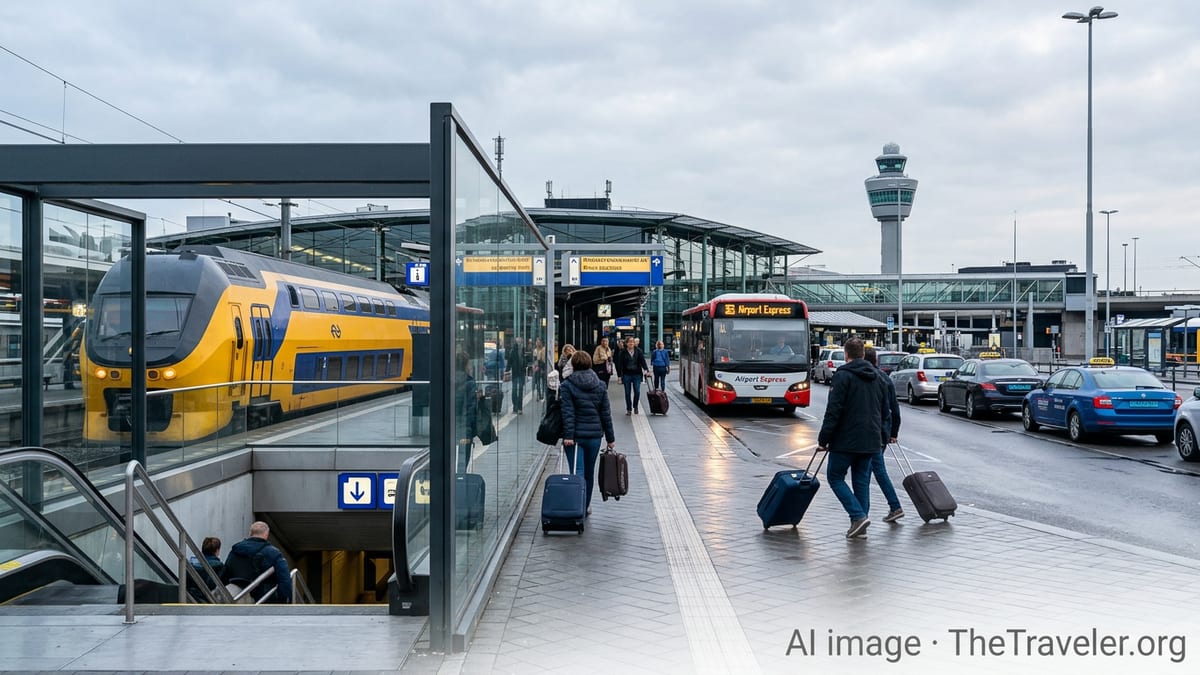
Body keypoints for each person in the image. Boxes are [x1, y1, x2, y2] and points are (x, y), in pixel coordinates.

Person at [816, 337, 891, 538]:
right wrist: (883, 437)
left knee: (834, 477)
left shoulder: (842, 376)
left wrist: (823, 440)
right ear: (864, 355)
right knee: (861, 481)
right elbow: (885, 412)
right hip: (872, 440)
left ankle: (858, 516)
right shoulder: (878, 377)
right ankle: (860, 526)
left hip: (845, 440)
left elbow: (834, 410)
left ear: (846, 354)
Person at [558, 350, 616, 515]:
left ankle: (577, 506)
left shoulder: (567, 385)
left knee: (577, 473)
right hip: (594, 437)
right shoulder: (600, 385)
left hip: (574, 438)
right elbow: (606, 413)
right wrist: (610, 438)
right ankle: (585, 505)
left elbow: (568, 413)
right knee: (589, 472)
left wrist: (568, 436)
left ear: (574, 365)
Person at [864, 346, 904, 522]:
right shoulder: (885, 378)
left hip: (871, 431)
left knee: (870, 470)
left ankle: (865, 513)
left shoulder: (867, 378)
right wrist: (893, 432)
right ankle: (893, 506)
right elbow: (894, 408)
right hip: (883, 431)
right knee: (876, 469)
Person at [220, 521, 292, 603]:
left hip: (238, 599)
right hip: (263, 601)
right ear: (266, 534)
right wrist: (284, 603)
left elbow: (224, 575)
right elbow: (285, 581)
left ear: (250, 533)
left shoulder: (235, 550)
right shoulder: (273, 553)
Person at [453, 351, 478, 473]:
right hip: (464, 431)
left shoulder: (447, 380)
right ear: (465, 365)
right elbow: (471, 409)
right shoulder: (470, 383)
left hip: (449, 430)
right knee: (462, 466)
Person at [615, 335, 650, 415]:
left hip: (637, 374)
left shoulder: (639, 351)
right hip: (626, 374)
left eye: (632, 342)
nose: (631, 343)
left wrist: (646, 370)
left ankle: (635, 406)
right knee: (627, 392)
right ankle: (629, 409)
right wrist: (619, 377)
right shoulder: (622, 352)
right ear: (626, 343)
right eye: (630, 342)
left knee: (637, 392)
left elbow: (643, 362)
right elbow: (619, 365)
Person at [508, 337, 526, 414]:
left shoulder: (523, 350)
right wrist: (507, 371)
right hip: (515, 373)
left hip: (521, 372)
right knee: (514, 390)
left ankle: (520, 407)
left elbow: (526, 360)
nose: (519, 343)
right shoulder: (513, 351)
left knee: (520, 390)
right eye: (518, 342)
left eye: (520, 342)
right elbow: (509, 361)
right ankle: (515, 407)